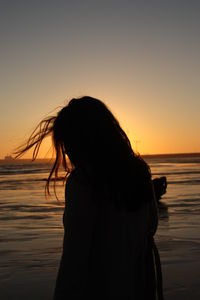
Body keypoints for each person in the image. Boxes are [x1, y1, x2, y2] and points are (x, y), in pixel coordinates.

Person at [14, 96, 163, 299]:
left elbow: (73, 266)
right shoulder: (140, 176)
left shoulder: (83, 184)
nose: (67, 152)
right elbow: (149, 238)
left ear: (82, 141)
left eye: (67, 144)